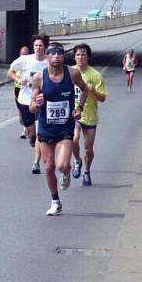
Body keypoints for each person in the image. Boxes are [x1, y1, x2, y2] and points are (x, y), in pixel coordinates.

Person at [29, 42, 90, 216]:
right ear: (47, 56)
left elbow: (85, 90)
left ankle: (67, 172)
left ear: (63, 56)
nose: (56, 56)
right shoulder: (39, 77)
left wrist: (79, 108)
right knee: (48, 167)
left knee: (62, 165)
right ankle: (56, 201)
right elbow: (32, 107)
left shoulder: (72, 73)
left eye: (60, 53)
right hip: (46, 128)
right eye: (53, 53)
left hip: (65, 127)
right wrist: (36, 104)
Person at [7, 35, 48, 173]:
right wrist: (19, 80)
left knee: (39, 131)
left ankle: (36, 163)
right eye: (36, 45)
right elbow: (10, 72)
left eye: (40, 45)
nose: (38, 48)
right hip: (25, 99)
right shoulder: (25, 60)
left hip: (41, 101)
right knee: (31, 132)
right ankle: (33, 139)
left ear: (45, 47)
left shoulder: (49, 62)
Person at [71, 44, 107, 187]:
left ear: (88, 57)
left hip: (90, 115)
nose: (80, 57)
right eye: (78, 55)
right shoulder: (70, 73)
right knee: (73, 140)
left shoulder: (95, 75)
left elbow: (103, 98)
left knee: (88, 149)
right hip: (74, 114)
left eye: (83, 55)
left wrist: (93, 91)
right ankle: (77, 160)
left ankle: (86, 170)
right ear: (74, 56)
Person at [13, 45, 29, 139]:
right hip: (18, 89)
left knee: (27, 110)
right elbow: (10, 73)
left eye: (26, 54)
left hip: (28, 89)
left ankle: (25, 130)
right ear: (20, 54)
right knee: (21, 112)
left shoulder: (31, 62)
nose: (24, 56)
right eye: (22, 54)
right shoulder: (17, 63)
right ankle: (24, 123)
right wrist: (18, 79)